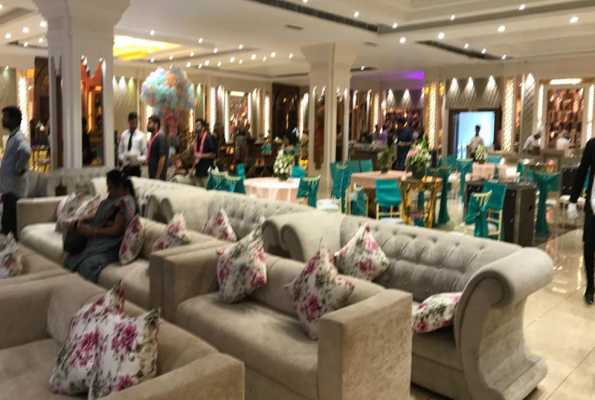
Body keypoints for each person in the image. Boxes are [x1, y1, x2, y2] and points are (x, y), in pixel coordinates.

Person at [63, 170, 138, 282]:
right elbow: (103, 216)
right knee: (71, 259)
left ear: (120, 187)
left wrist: (91, 231)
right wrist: (83, 219)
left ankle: (87, 291)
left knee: (86, 264)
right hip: (99, 242)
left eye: (110, 187)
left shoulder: (126, 202)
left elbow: (116, 230)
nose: (108, 190)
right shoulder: (113, 198)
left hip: (111, 246)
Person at [569, 137, 595, 304]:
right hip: (593, 205)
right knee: (589, 245)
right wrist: (573, 200)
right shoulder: (592, 145)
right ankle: (590, 285)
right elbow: (582, 172)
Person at [0, 107, 31, 236]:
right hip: (9, 189)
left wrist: (18, 168)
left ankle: (11, 248)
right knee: (7, 225)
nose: (2, 120)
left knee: (9, 228)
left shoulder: (18, 136)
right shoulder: (13, 137)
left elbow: (26, 151)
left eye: (5, 117)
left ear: (14, 120)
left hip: (14, 191)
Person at [117, 112, 147, 177]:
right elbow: (119, 152)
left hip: (136, 168)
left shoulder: (141, 136)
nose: (134, 125)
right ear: (129, 121)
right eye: (132, 123)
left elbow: (145, 155)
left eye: (136, 122)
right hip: (125, 167)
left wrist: (137, 159)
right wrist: (123, 159)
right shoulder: (124, 135)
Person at [193, 118, 217, 188]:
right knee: (198, 192)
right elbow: (196, 156)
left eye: (198, 125)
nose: (196, 126)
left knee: (206, 192)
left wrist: (201, 155)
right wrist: (193, 168)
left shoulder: (209, 138)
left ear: (203, 128)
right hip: (198, 171)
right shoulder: (196, 140)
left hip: (206, 171)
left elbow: (213, 154)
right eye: (195, 125)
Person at [146, 116, 168, 180]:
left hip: (158, 176)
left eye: (150, 123)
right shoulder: (153, 138)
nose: (147, 125)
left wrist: (157, 176)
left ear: (156, 125)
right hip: (153, 174)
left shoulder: (160, 138)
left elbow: (162, 158)